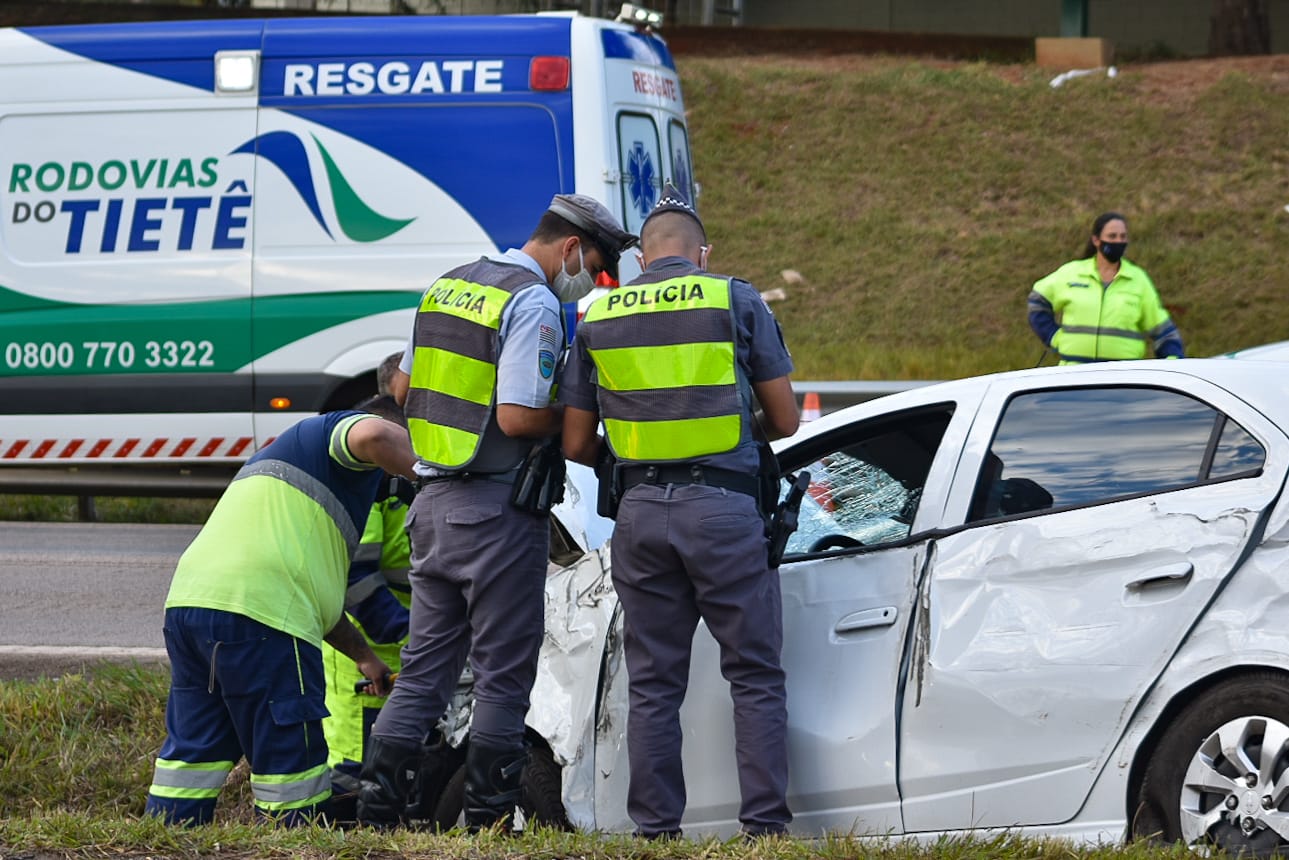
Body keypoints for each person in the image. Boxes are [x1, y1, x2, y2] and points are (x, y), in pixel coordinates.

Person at [357, 193, 636, 830]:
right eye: (591, 267)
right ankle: (487, 826)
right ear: (569, 247)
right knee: (504, 677)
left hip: (431, 510)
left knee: (425, 673)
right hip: (495, 515)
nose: (588, 283)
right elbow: (516, 415)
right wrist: (579, 416)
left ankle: (376, 822)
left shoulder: (448, 286)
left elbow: (401, 386)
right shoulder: (532, 301)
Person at [561, 183, 800, 839]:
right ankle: (762, 832)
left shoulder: (599, 316)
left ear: (641, 257)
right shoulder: (732, 297)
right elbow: (783, 419)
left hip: (637, 515)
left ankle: (656, 833)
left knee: (653, 684)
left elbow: (577, 443)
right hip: (721, 508)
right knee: (752, 674)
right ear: (703, 252)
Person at [144, 407, 417, 827]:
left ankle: (160, 842)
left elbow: (314, 595)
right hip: (264, 622)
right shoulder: (328, 435)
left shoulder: (292, 484)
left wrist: (364, 656)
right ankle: (293, 844)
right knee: (291, 769)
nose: (389, 489)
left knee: (191, 759)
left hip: (191, 606)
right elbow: (377, 432)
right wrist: (438, 473)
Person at [320, 394, 419, 820]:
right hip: (367, 670)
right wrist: (415, 634)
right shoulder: (367, 488)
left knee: (390, 780)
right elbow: (355, 579)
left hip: (395, 665)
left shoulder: (393, 488)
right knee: (355, 781)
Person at [1028, 211, 1184, 364]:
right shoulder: (1072, 273)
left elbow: (1163, 331)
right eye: (1112, 236)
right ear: (1096, 240)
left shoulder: (1138, 280)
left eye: (1122, 237)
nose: (1118, 241)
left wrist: (1173, 363)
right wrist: (1054, 338)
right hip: (1074, 376)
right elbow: (1038, 300)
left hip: (1122, 380)